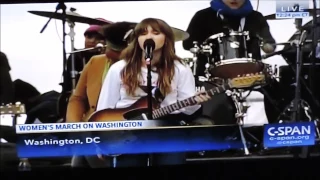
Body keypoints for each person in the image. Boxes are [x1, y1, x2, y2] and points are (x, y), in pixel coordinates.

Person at [96, 18, 211, 167]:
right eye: (143, 33)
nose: (149, 37)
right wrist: (99, 138)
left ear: (167, 39)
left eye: (156, 33)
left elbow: (187, 110)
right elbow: (106, 105)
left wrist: (194, 102)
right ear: (137, 39)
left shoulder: (180, 68)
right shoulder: (120, 68)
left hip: (167, 128)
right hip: (126, 133)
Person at [183, 0, 276, 126]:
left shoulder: (255, 17)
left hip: (251, 75)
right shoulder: (203, 16)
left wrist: (268, 45)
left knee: (276, 90)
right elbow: (187, 43)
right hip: (211, 78)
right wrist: (200, 47)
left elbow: (269, 42)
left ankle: (274, 134)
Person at [66, 22, 142, 168]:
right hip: (92, 127)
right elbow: (77, 98)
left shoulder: (142, 68)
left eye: (110, 48)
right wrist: (74, 126)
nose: (105, 50)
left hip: (125, 132)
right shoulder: (95, 62)